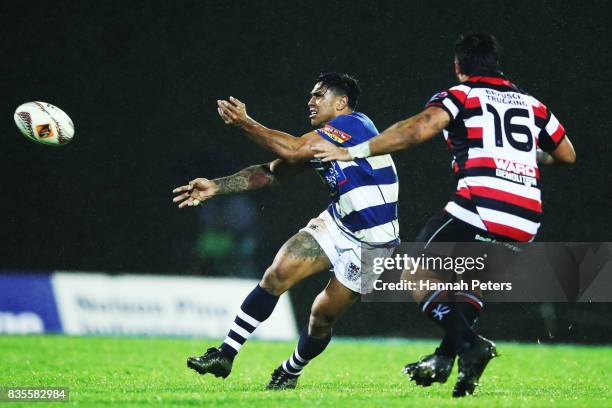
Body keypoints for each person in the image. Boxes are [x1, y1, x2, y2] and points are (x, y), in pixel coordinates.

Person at [312, 33, 576, 397]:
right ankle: (447, 359)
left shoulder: (461, 95)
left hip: (482, 206)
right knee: (466, 289)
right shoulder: (533, 104)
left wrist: (356, 151)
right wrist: (519, 158)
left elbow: (417, 129)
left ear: (458, 67)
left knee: (414, 271)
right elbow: (566, 154)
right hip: (527, 217)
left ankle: (472, 346)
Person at [173, 73, 400, 389]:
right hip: (338, 223)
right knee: (278, 273)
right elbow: (271, 173)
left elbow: (293, 149)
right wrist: (216, 187)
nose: (311, 101)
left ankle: (291, 369)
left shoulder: (356, 125)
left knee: (322, 317)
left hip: (374, 243)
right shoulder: (322, 141)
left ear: (342, 102)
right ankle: (225, 353)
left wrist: (245, 122)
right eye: (311, 95)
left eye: (319, 95)